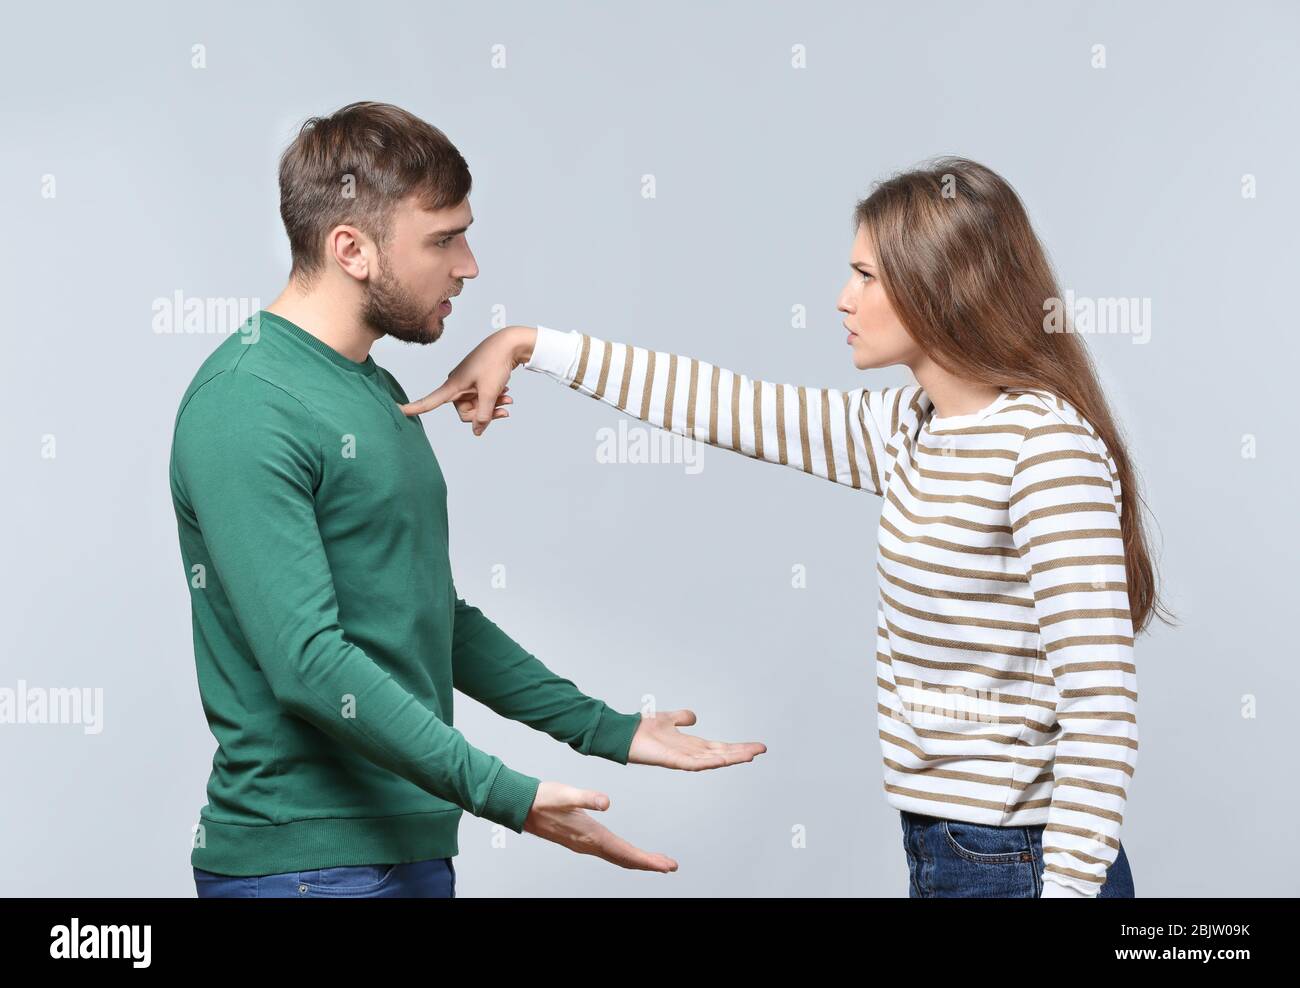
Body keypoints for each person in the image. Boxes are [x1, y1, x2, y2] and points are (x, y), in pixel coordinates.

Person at [403, 157, 1177, 898]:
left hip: (1021, 860)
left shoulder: (1045, 449)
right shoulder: (911, 425)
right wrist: (530, 345)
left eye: (866, 276)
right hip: (948, 846)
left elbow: (1100, 710)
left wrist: (1068, 890)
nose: (842, 298)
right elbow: (725, 404)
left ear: (944, 287)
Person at [170, 101, 765, 899]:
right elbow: (309, 666)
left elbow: (432, 619)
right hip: (304, 869)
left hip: (410, 851)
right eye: (443, 239)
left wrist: (607, 731)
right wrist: (505, 794)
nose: (469, 265)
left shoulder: (377, 391)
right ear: (351, 248)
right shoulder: (246, 403)